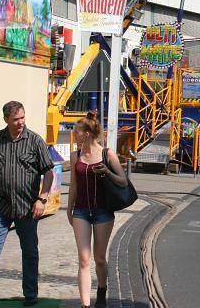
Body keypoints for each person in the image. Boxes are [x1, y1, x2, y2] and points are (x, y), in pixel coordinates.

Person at [0, 102, 55, 308]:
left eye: (22, 117)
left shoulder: (34, 141)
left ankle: (30, 295)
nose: (21, 122)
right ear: (6, 119)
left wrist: (42, 198)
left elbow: (48, 172)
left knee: (30, 251)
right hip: (1, 207)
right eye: (16, 119)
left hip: (27, 207)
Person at [68, 112, 128, 308]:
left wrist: (107, 172)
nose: (74, 135)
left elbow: (123, 181)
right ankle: (85, 304)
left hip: (103, 211)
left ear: (86, 134)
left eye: (77, 132)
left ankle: (102, 289)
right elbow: (74, 186)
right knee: (83, 259)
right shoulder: (75, 155)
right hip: (81, 211)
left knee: (99, 258)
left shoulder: (107, 154)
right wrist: (69, 209)